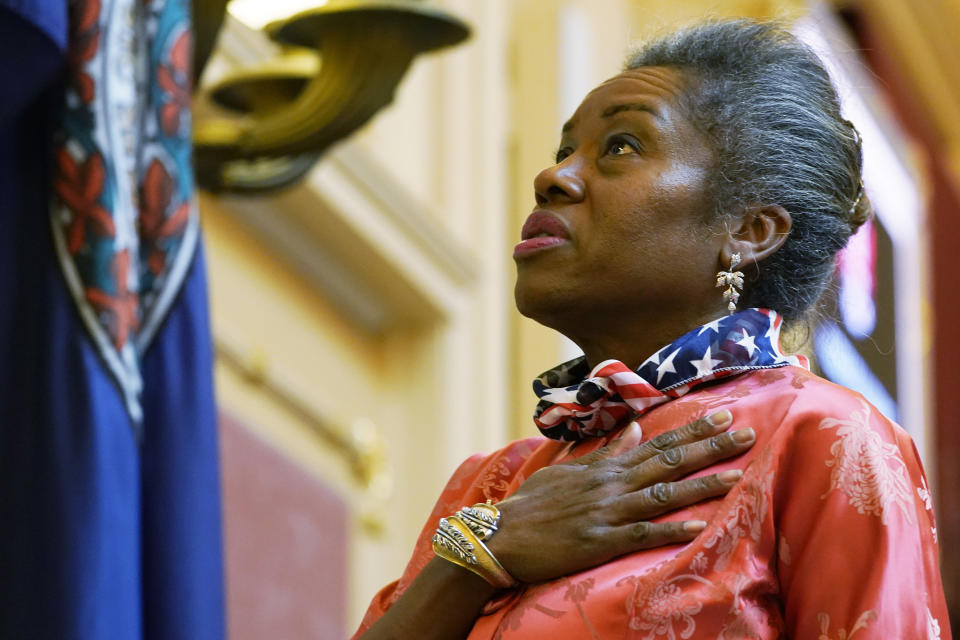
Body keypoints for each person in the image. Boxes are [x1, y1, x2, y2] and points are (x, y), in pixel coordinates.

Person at [352, 19, 950, 639]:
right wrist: (478, 557)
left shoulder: (823, 437)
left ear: (749, 232)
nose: (552, 178)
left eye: (620, 146)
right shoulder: (491, 483)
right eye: (564, 152)